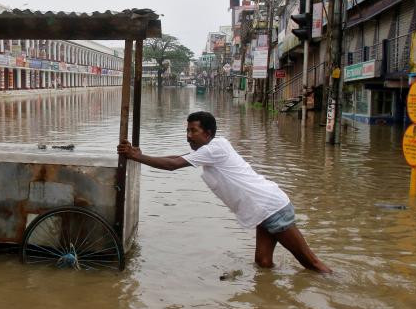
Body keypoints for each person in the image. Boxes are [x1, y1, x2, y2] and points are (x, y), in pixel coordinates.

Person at [117, 111, 332, 274]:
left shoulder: (214, 148)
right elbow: (178, 157)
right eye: (187, 131)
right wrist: (143, 155)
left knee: (310, 263)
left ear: (208, 133)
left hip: (272, 208)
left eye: (193, 131)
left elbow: (173, 164)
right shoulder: (212, 148)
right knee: (263, 264)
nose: (188, 136)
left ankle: (337, 289)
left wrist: (137, 157)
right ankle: (270, 297)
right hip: (263, 211)